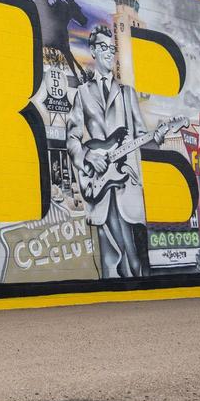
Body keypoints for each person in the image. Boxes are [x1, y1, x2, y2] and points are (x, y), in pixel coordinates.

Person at [67, 24, 166, 278]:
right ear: (92, 51)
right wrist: (88, 156)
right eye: (103, 48)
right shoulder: (82, 94)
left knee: (135, 253)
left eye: (112, 48)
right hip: (99, 184)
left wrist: (158, 136)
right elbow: (73, 139)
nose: (110, 53)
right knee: (110, 256)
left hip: (126, 181)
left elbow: (142, 135)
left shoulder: (126, 92)